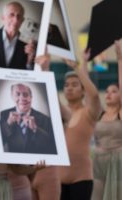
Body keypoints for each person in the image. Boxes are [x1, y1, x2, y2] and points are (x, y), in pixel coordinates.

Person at [58, 51, 102, 200]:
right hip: (58, 179)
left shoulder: (89, 113)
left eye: (75, 85)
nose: (69, 88)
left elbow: (95, 96)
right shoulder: (59, 111)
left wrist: (79, 67)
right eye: (66, 85)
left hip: (81, 179)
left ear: (83, 91)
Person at [91, 40, 122, 200]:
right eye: (107, 91)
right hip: (98, 164)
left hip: (117, 164)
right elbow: (91, 93)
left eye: (114, 91)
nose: (108, 94)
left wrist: (120, 59)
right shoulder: (100, 114)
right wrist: (81, 65)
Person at [0, 83, 57, 154]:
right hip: (13, 164)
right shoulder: (4, 114)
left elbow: (51, 147)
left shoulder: (45, 119)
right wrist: (8, 124)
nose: (22, 98)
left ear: (31, 97)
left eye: (25, 94)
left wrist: (36, 129)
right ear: (12, 96)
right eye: (17, 94)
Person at [0, 1, 35, 69]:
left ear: (22, 21)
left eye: (19, 16)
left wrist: (29, 62)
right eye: (11, 15)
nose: (15, 20)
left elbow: (27, 73)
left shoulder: (28, 45)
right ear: (3, 18)